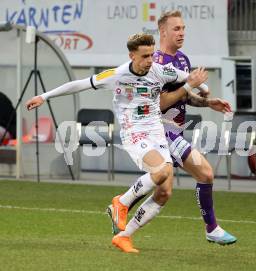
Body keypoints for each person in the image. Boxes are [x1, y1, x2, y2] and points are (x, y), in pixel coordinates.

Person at [25, 33, 209, 253]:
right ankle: (121, 203)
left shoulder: (159, 70)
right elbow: (80, 84)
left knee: (164, 192)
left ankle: (124, 236)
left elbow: (186, 77)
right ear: (132, 55)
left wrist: (204, 89)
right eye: (144, 56)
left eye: (152, 55)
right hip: (134, 132)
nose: (150, 60)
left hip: (156, 131)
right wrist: (44, 97)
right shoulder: (118, 75)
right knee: (160, 173)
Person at [110, 10, 237, 245]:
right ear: (163, 32)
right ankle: (212, 228)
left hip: (175, 132)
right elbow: (159, 103)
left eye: (183, 28)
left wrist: (208, 102)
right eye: (176, 29)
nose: (181, 33)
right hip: (162, 131)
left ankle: (123, 234)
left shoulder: (182, 60)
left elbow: (183, 97)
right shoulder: (155, 63)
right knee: (206, 173)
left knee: (164, 192)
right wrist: (189, 85)